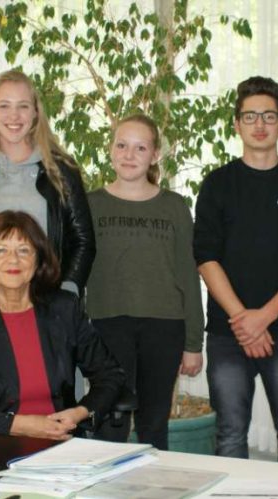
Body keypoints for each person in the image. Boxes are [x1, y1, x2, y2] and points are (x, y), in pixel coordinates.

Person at [193, 76, 278, 463]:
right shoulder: (217, 184)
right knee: (230, 435)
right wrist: (242, 320)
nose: (260, 124)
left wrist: (262, 318)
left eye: (269, 115)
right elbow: (205, 257)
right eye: (250, 116)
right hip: (226, 332)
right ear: (236, 124)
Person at [0, 211, 125, 440]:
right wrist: (17, 425)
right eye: (1, 250)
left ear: (38, 259)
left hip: (63, 445)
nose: (13, 260)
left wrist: (79, 413)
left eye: (24, 250)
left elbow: (110, 375)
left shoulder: (64, 308)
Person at [86, 114, 204, 450]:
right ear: (111, 150)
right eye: (122, 145)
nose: (129, 154)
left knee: (154, 423)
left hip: (165, 327)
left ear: (154, 155)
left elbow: (188, 276)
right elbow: (74, 274)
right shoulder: (90, 205)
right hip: (108, 325)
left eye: (140, 148)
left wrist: (193, 343)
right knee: (110, 422)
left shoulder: (175, 207)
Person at [0, 70, 95, 294]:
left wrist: (65, 298)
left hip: (50, 306)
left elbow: (83, 242)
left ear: (35, 113)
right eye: (4, 106)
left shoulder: (62, 170)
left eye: (23, 106)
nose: (14, 116)